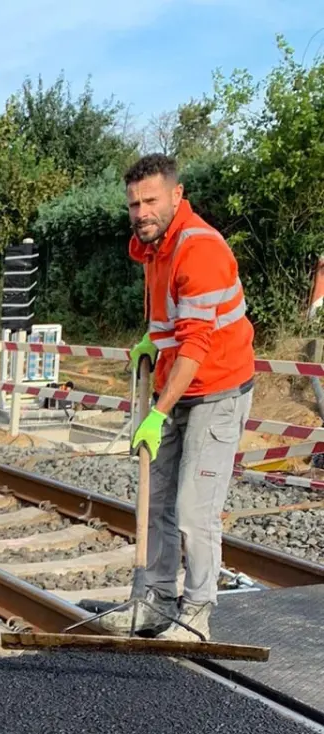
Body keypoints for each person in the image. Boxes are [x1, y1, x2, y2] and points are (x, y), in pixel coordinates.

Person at [100, 153, 255, 642]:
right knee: (156, 498)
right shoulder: (154, 247)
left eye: (150, 201)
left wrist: (156, 413)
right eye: (133, 204)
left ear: (176, 196)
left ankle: (197, 614)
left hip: (218, 390)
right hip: (178, 380)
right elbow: (174, 324)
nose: (141, 211)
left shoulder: (198, 249)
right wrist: (153, 340)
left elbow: (197, 343)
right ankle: (155, 602)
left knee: (193, 508)